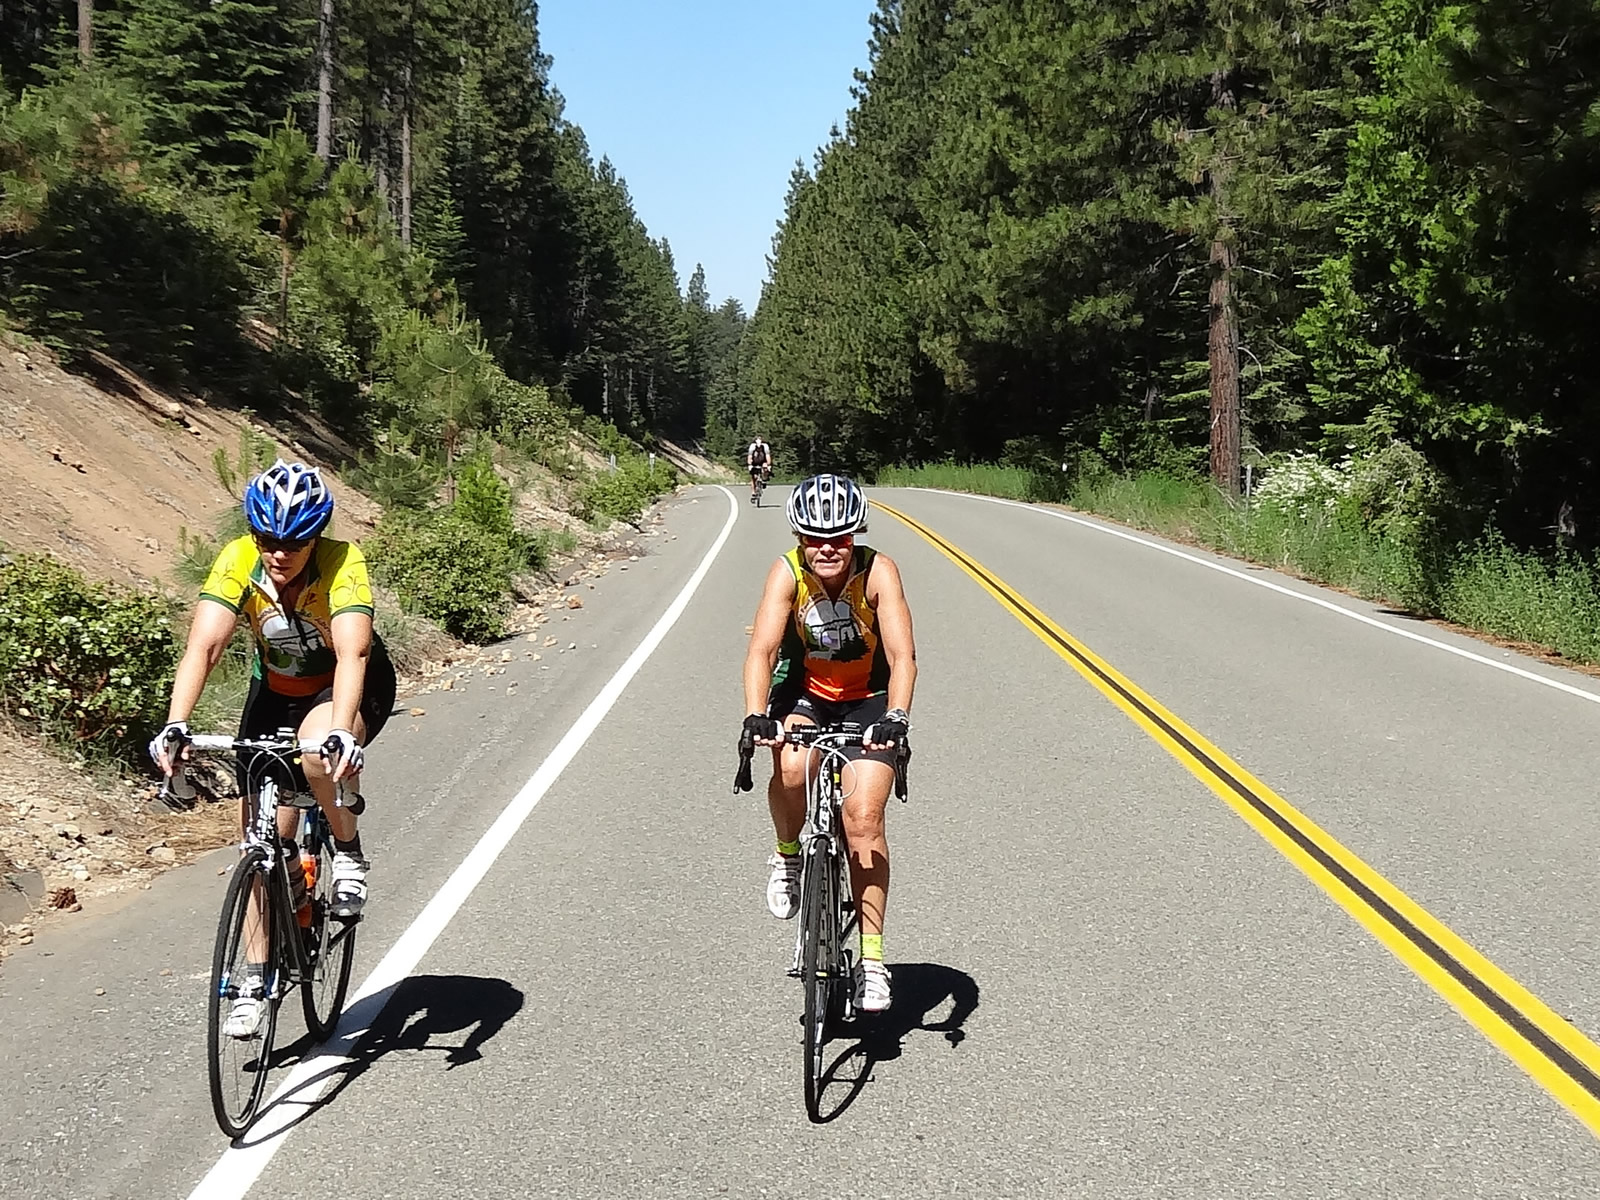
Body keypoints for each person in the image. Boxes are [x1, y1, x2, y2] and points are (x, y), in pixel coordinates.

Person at [150, 460, 395, 1037]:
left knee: (316, 754)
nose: (279, 554)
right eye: (267, 540)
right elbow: (205, 646)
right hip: (276, 693)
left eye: (294, 542)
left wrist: (341, 730)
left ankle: (348, 850)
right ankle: (257, 980)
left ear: (315, 537)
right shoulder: (239, 558)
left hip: (344, 687)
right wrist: (176, 724)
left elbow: (353, 654)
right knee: (261, 843)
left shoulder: (342, 561)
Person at [740, 473, 916, 1013]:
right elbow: (762, 650)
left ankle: (872, 961)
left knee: (863, 819)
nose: (827, 549)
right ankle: (788, 856)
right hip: (805, 693)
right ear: (799, 538)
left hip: (869, 699)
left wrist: (897, 717)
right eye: (815, 538)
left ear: (854, 535)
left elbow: (903, 656)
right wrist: (755, 715)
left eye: (839, 537)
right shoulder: (787, 573)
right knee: (792, 770)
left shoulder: (878, 571)